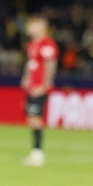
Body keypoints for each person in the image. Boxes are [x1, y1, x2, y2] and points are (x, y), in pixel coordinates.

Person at [20, 15, 57, 167]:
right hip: (32, 86)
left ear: (41, 26)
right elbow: (30, 63)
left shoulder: (47, 44)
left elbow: (51, 65)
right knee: (31, 118)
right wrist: (26, 78)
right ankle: (35, 153)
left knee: (35, 118)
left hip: (39, 88)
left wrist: (44, 85)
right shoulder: (32, 44)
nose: (28, 28)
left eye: (31, 25)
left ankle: (38, 154)